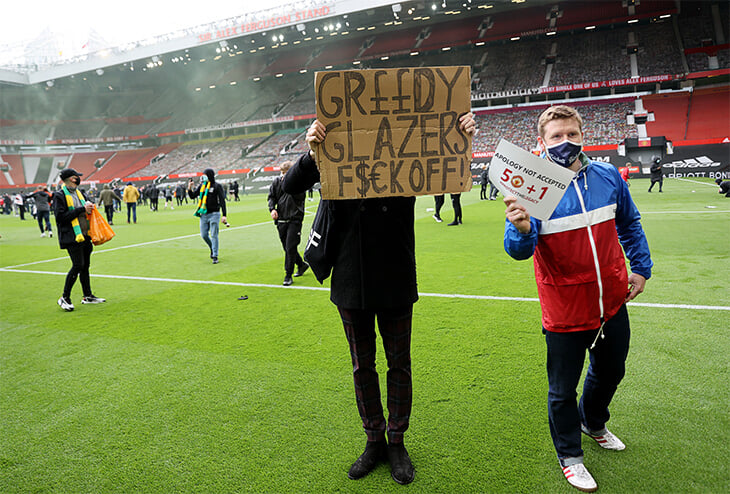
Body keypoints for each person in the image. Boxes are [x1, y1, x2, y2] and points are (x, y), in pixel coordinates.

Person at [283, 113, 476, 486]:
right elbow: (292, 185)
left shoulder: (406, 149)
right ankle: (374, 438)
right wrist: (312, 150)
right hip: (351, 275)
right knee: (363, 366)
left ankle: (397, 441)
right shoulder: (336, 149)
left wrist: (462, 137)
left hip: (395, 272)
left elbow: (452, 172)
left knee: (399, 364)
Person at [502, 106, 652, 493]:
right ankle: (570, 455)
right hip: (564, 309)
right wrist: (520, 229)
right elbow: (518, 251)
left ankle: (593, 421)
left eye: (572, 133)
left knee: (611, 371)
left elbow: (629, 222)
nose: (565, 141)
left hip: (611, 302)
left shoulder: (606, 175)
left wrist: (641, 268)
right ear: (542, 142)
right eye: (556, 136)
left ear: (582, 135)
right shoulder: (531, 185)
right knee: (561, 389)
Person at [52, 168, 106, 311]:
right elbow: (60, 218)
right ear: (71, 179)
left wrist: (89, 207)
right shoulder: (59, 195)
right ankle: (64, 297)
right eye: (77, 177)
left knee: (85, 266)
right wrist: (82, 209)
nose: (79, 179)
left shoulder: (79, 193)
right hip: (72, 236)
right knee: (77, 265)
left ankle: (87, 296)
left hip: (85, 234)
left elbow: (85, 209)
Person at [267, 161, 309, 286]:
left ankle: (288, 275)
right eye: (282, 173)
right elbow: (271, 197)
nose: (283, 175)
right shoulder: (276, 182)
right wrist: (272, 209)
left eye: (286, 173)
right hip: (281, 220)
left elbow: (299, 198)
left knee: (290, 247)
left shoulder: (299, 183)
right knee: (287, 248)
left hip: (294, 219)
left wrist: (290, 182)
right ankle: (301, 265)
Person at [188, 168, 227, 264]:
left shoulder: (217, 186)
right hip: (203, 214)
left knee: (214, 235)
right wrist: (189, 188)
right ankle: (212, 248)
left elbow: (222, 200)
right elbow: (193, 196)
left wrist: (224, 215)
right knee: (204, 235)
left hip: (214, 213)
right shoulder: (202, 186)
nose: (203, 176)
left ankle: (215, 256)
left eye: (205, 174)